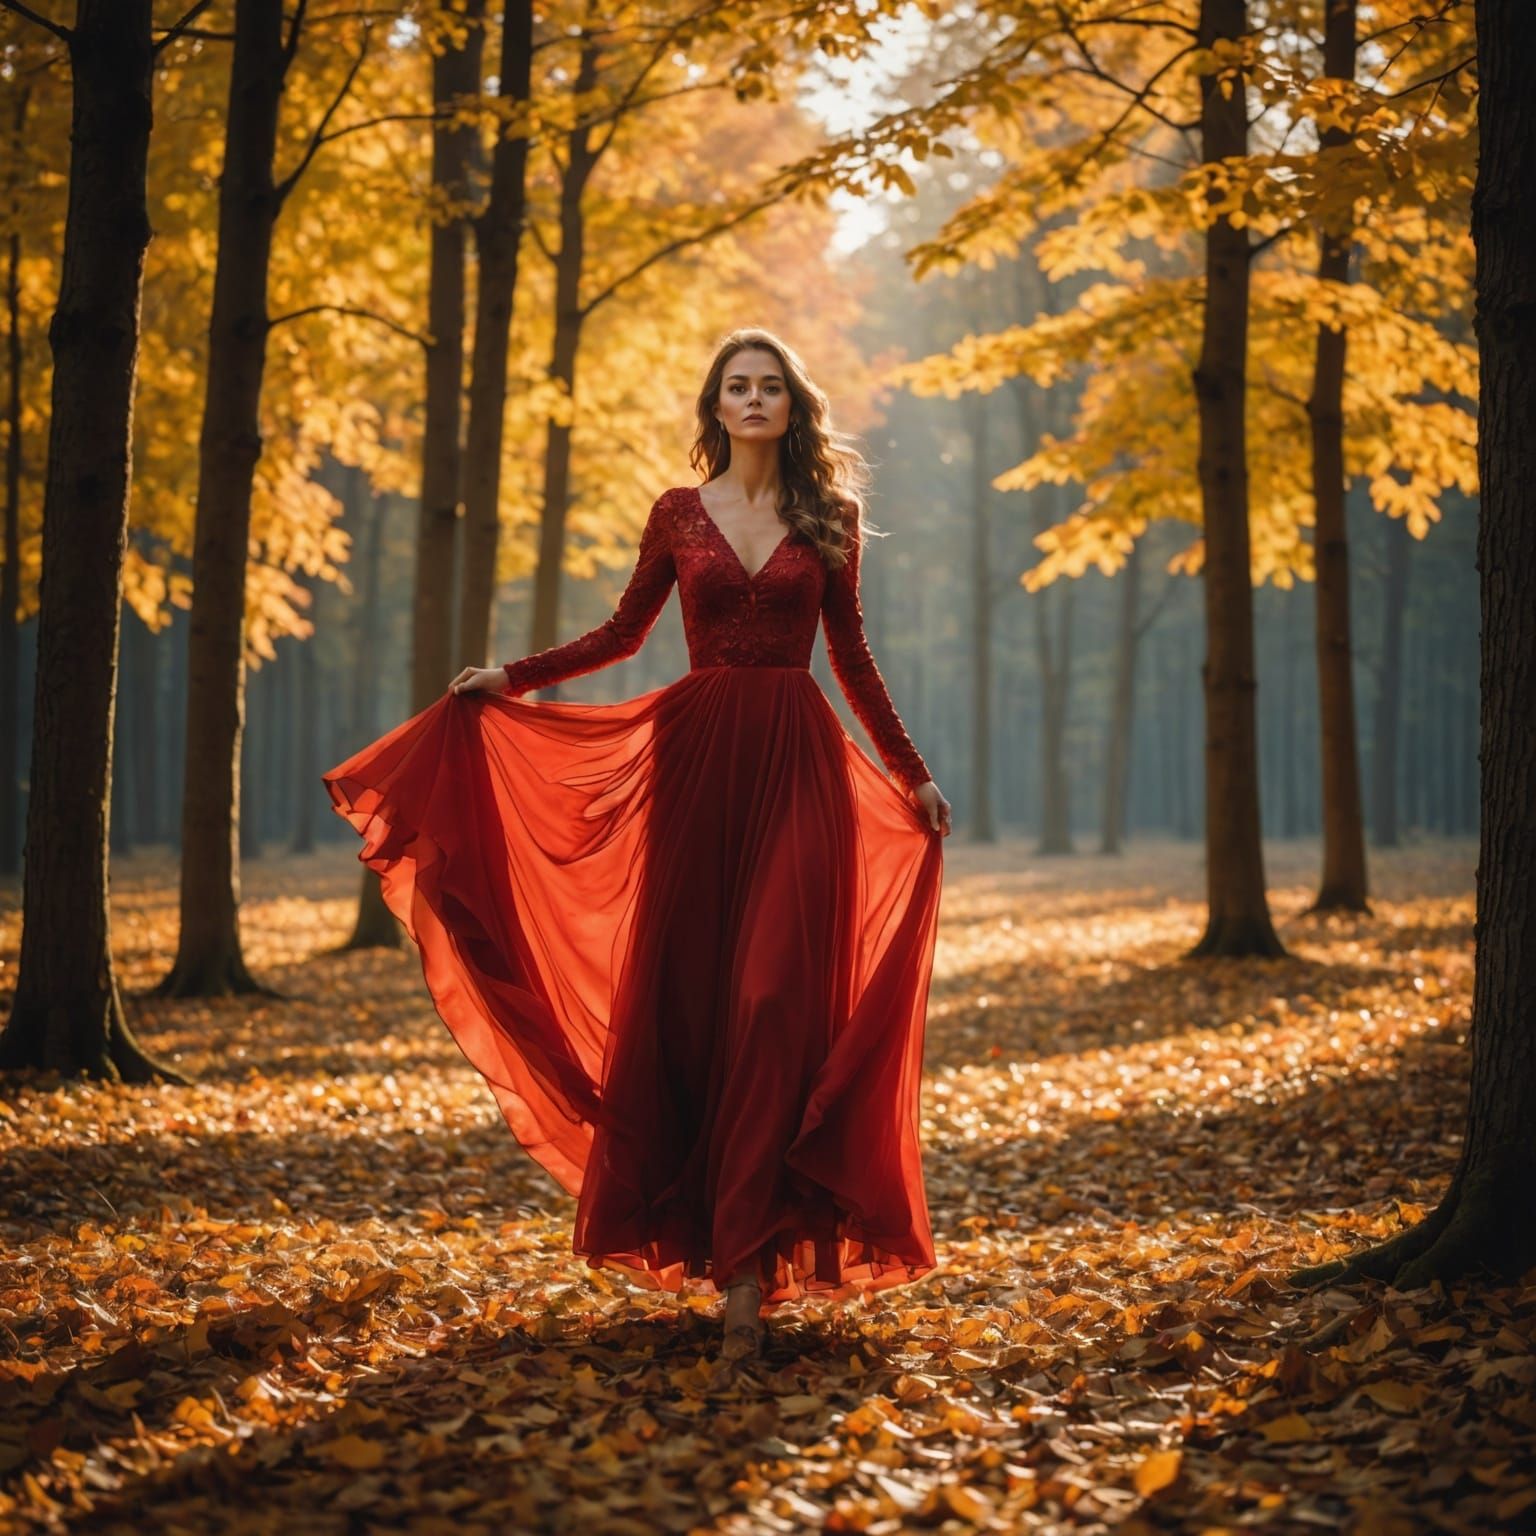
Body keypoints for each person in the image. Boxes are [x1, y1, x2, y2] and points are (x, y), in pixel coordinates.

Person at [324, 327, 951, 1362]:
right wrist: (512, 680)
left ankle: (751, 1257)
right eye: (736, 387)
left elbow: (853, 657)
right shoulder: (677, 513)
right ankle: (733, 1268)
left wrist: (913, 772)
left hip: (799, 765)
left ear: (793, 407)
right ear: (714, 409)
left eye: (769, 388)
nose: (752, 400)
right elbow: (621, 636)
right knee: (700, 1006)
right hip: (695, 767)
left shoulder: (829, 517)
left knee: (772, 999)